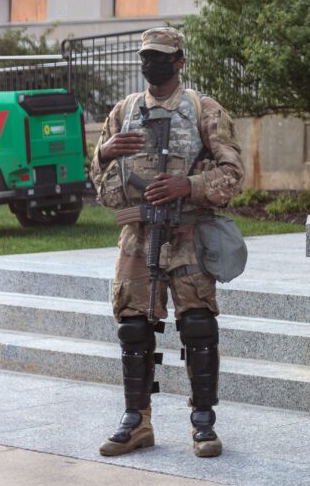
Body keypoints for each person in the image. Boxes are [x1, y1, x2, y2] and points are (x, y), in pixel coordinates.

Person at [89, 27, 244, 458]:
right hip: (138, 236)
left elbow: (233, 175)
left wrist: (187, 185)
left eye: (160, 56)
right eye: (145, 56)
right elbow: (99, 183)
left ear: (179, 61)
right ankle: (136, 420)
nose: (150, 64)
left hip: (189, 233)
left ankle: (203, 422)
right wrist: (103, 155)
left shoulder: (203, 110)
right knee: (133, 328)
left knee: (197, 325)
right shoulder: (124, 111)